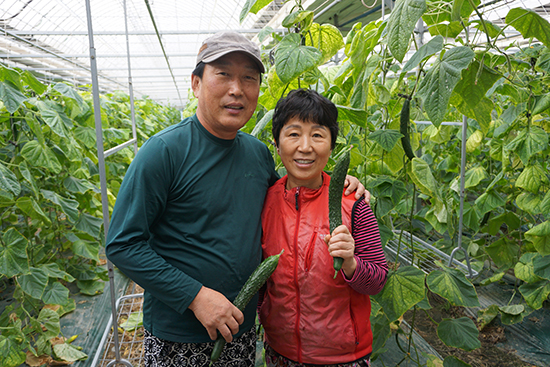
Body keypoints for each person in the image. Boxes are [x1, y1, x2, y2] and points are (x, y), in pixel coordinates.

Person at [105, 32, 368, 367]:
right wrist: (196, 297)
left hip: (240, 328)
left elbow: (292, 198)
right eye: (224, 74)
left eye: (249, 78)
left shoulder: (257, 154)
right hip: (180, 333)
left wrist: (341, 185)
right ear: (196, 83)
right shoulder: (164, 152)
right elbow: (122, 244)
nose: (237, 89)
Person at [259, 89, 388, 367]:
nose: (305, 146)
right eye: (293, 134)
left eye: (317, 135)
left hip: (342, 358)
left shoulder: (353, 204)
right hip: (279, 352)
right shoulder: (264, 201)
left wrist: (352, 264)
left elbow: (377, 281)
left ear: (331, 146)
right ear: (277, 144)